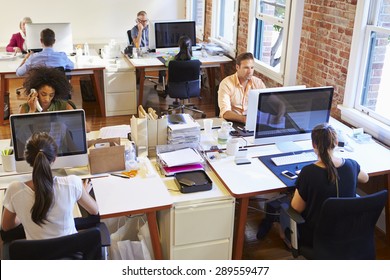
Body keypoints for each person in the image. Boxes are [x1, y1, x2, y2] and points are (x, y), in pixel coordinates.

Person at [279, 123, 369, 248]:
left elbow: (296, 208)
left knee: (284, 210)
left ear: (313, 145)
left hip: (316, 237)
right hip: (347, 232)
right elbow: (365, 178)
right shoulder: (351, 165)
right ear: (336, 142)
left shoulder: (308, 172)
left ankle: (288, 241)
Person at [1, 132, 98, 240]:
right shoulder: (72, 184)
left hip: (37, 255)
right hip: (71, 254)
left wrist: (22, 215)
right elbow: (94, 210)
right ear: (54, 158)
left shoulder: (14, 190)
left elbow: (6, 226)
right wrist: (80, 192)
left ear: (28, 159)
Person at [218, 52, 266, 124]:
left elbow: (268, 101)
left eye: (252, 68)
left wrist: (280, 107)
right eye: (246, 68)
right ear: (237, 67)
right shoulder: (226, 84)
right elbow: (225, 112)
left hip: (251, 121)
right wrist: (244, 119)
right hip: (231, 122)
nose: (250, 72)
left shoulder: (258, 83)